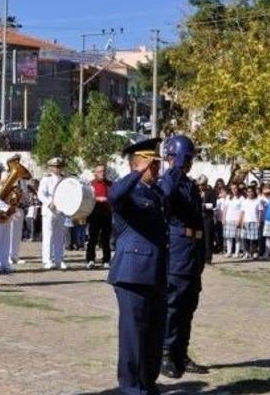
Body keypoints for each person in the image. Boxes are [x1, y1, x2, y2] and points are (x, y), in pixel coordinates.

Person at [107, 137, 181, 394]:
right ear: (137, 165)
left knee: (154, 333)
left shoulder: (156, 193)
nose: (157, 169)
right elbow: (114, 194)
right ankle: (130, 387)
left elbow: (170, 187)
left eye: (158, 165)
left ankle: (148, 383)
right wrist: (137, 172)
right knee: (133, 335)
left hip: (156, 271)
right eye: (152, 165)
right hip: (132, 274)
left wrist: (176, 165)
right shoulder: (127, 193)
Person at [159, 135, 207, 380]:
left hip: (192, 249)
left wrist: (203, 251)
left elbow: (199, 218)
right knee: (174, 304)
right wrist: (174, 170)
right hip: (178, 250)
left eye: (189, 159)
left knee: (189, 304)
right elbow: (165, 195)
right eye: (184, 158)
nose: (188, 163)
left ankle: (181, 353)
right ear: (172, 157)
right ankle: (165, 353)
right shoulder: (170, 180)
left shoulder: (188, 184)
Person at [38, 157, 68, 270]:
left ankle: (59, 259)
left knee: (60, 236)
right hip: (49, 210)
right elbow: (41, 194)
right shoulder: (46, 179)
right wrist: (48, 202)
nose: (57, 168)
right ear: (50, 167)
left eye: (59, 166)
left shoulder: (65, 179)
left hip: (61, 210)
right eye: (55, 166)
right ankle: (47, 260)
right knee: (48, 235)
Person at [87, 163, 113, 269]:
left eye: (103, 171)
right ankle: (90, 259)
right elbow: (87, 198)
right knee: (92, 238)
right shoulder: (90, 184)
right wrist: (97, 199)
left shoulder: (110, 184)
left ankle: (106, 260)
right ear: (95, 173)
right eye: (99, 171)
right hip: (94, 214)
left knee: (106, 239)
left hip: (107, 214)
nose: (102, 173)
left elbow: (114, 197)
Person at [221, 184, 244, 258]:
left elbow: (242, 211)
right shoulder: (228, 197)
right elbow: (225, 208)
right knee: (229, 237)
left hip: (236, 219)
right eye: (232, 188)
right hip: (228, 219)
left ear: (238, 188)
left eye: (235, 188)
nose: (234, 190)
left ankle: (237, 252)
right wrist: (223, 218)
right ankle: (229, 251)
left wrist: (239, 220)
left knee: (237, 237)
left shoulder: (241, 198)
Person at [198, 176, 217, 263]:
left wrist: (204, 205)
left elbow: (214, 205)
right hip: (199, 218)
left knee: (208, 238)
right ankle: (200, 256)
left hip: (207, 218)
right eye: (199, 185)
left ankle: (208, 257)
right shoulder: (197, 192)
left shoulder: (211, 192)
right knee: (199, 238)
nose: (201, 186)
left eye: (202, 185)